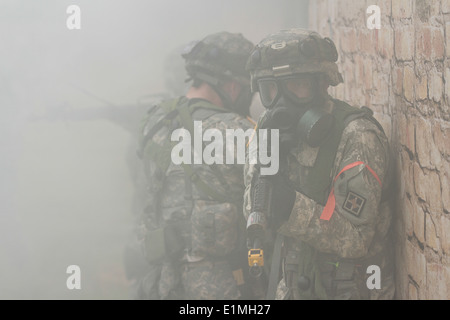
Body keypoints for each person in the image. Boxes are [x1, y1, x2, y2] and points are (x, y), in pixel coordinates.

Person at [243, 28, 395, 300]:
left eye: (296, 86)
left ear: (323, 83)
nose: (281, 102)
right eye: (271, 90)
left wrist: (289, 207)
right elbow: (254, 213)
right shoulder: (266, 133)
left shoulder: (357, 136)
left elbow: (357, 239)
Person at [134, 31, 255, 299]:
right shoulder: (241, 131)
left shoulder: (155, 122)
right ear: (233, 86)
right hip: (225, 286)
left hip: (165, 282)